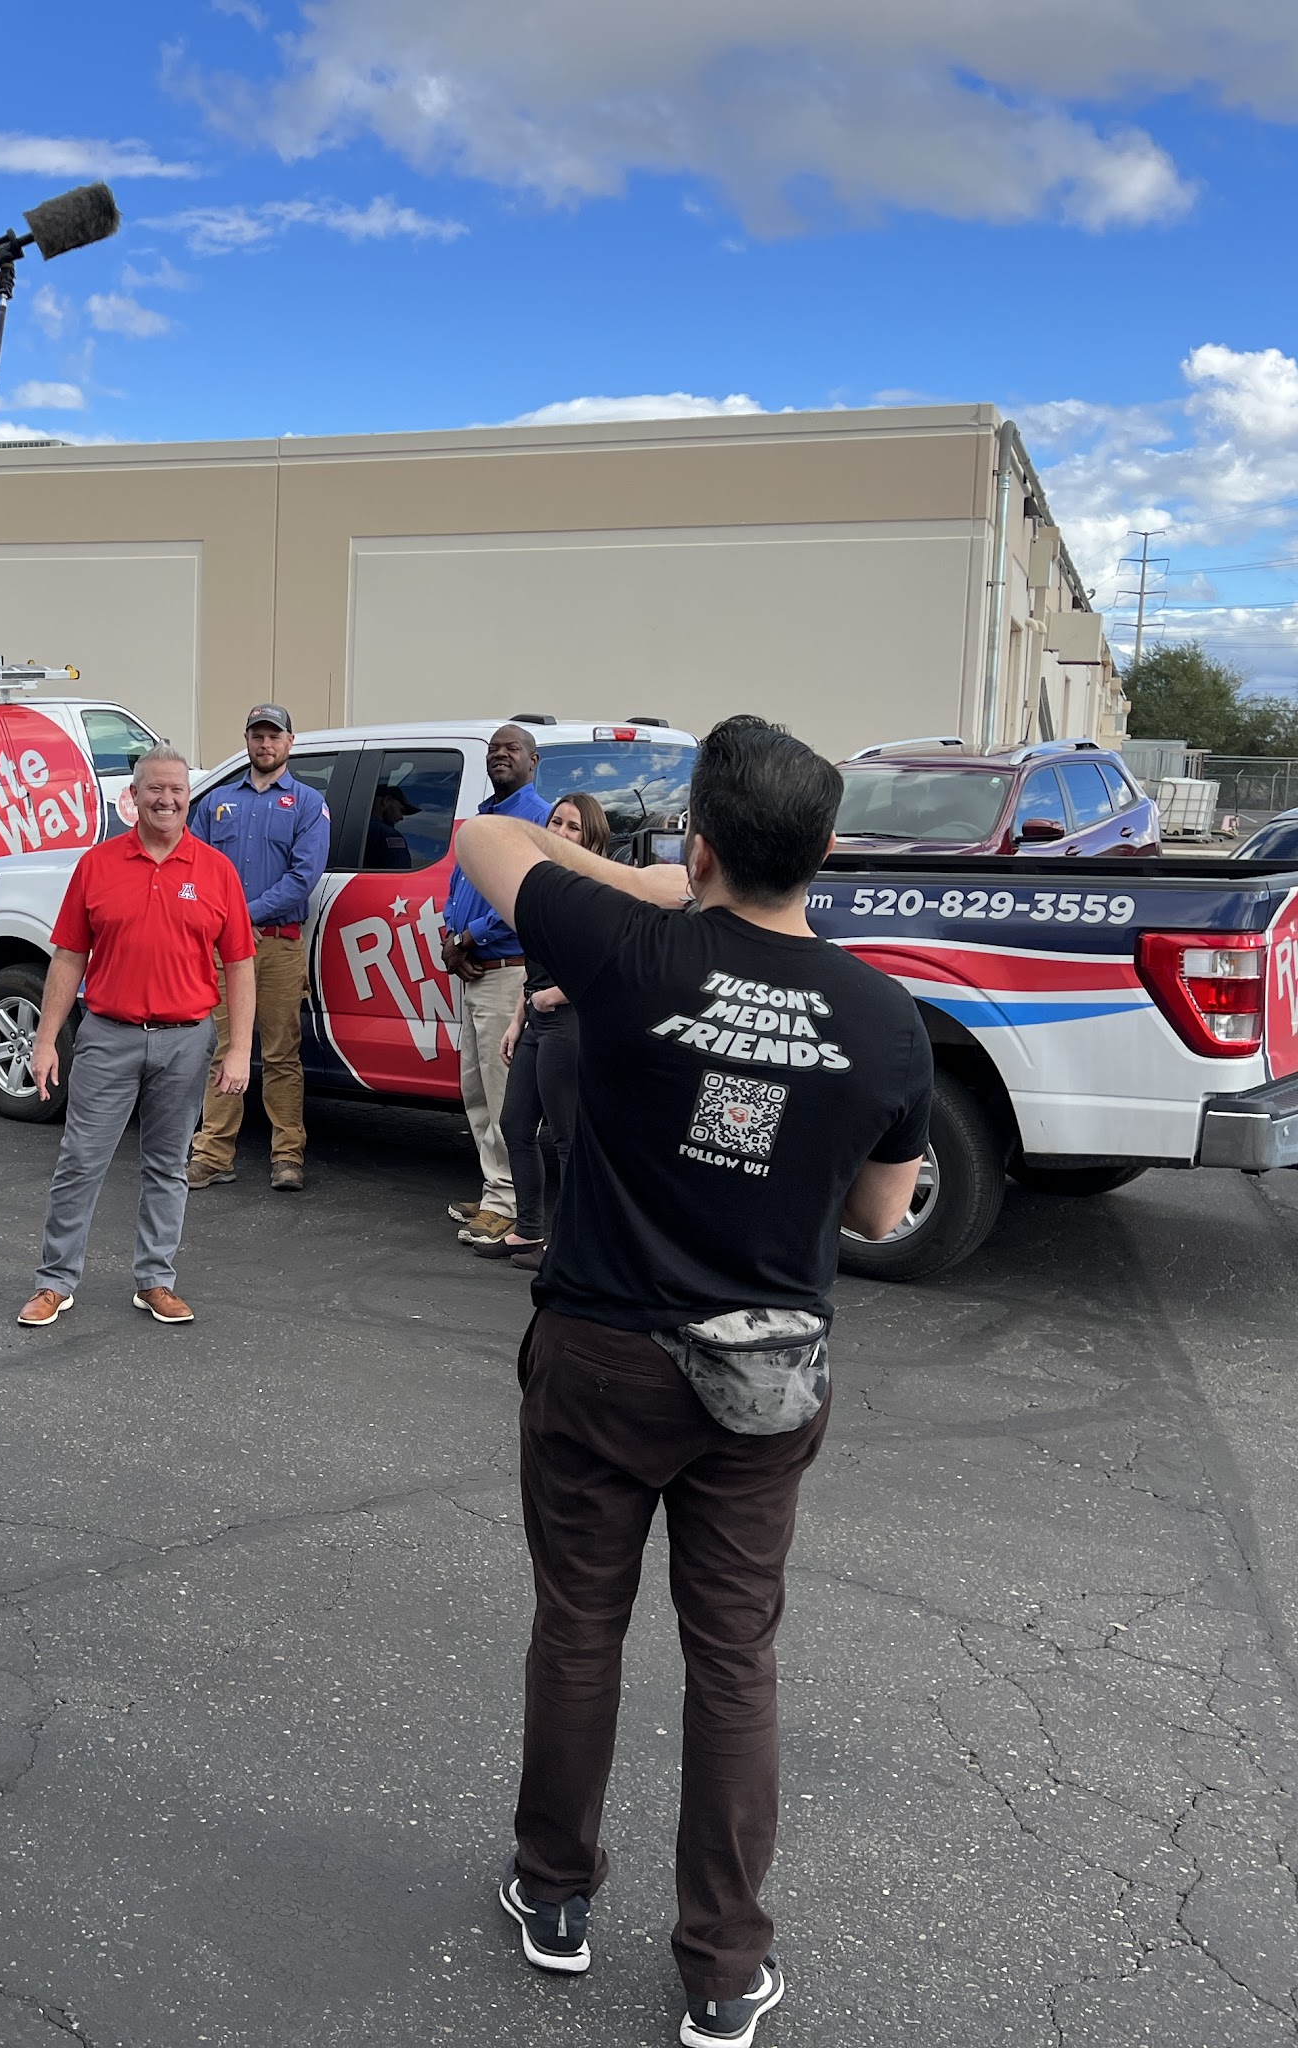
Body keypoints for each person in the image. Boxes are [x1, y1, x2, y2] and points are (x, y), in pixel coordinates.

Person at [453, 715, 931, 2047]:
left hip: (602, 1355)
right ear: (823, 850)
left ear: (701, 843)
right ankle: (721, 1966)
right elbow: (879, 1214)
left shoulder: (632, 944)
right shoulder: (883, 1017)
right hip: (763, 1378)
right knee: (732, 1661)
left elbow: (484, 836)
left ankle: (554, 1892)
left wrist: (652, 884)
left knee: (578, 1628)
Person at [19, 747, 257, 1329]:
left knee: (168, 1166)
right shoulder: (97, 865)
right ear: (134, 796)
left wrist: (239, 1049)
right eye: (155, 788)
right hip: (108, 1036)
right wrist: (45, 1040)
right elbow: (68, 956)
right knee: (80, 1160)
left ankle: (155, 1280)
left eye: (177, 790)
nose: (166, 799)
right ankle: (55, 1282)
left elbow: (240, 965)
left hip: (187, 1042)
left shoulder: (216, 871)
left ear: (189, 797)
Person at [186, 703, 331, 1193]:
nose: (265, 744)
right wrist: (220, 920)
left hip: (276, 947)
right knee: (221, 1049)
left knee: (281, 1054)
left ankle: (287, 1156)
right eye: (257, 735)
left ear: (290, 742)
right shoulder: (216, 802)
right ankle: (212, 1155)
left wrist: (240, 915)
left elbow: (302, 878)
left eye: (274, 736)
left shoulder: (308, 803)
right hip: (222, 950)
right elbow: (194, 866)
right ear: (246, 740)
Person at [475, 791, 611, 1270]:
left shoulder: (595, 891)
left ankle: (573, 1246)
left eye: (574, 827)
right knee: (515, 1124)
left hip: (568, 1023)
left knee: (567, 1138)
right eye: (556, 822)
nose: (562, 832)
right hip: (535, 1018)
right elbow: (535, 967)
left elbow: (605, 966)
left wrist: (552, 997)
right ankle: (528, 1232)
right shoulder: (543, 886)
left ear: (592, 838)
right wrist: (518, 1020)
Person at [441, 724, 551, 1248]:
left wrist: (467, 937)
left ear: (533, 761)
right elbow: (457, 888)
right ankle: (493, 1192)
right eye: (494, 749)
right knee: (478, 1092)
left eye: (512, 749)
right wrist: (452, 937)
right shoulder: (483, 819)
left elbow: (525, 899)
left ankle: (507, 1204)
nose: (500, 755)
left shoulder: (538, 819)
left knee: (505, 1096)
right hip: (476, 972)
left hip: (508, 973)